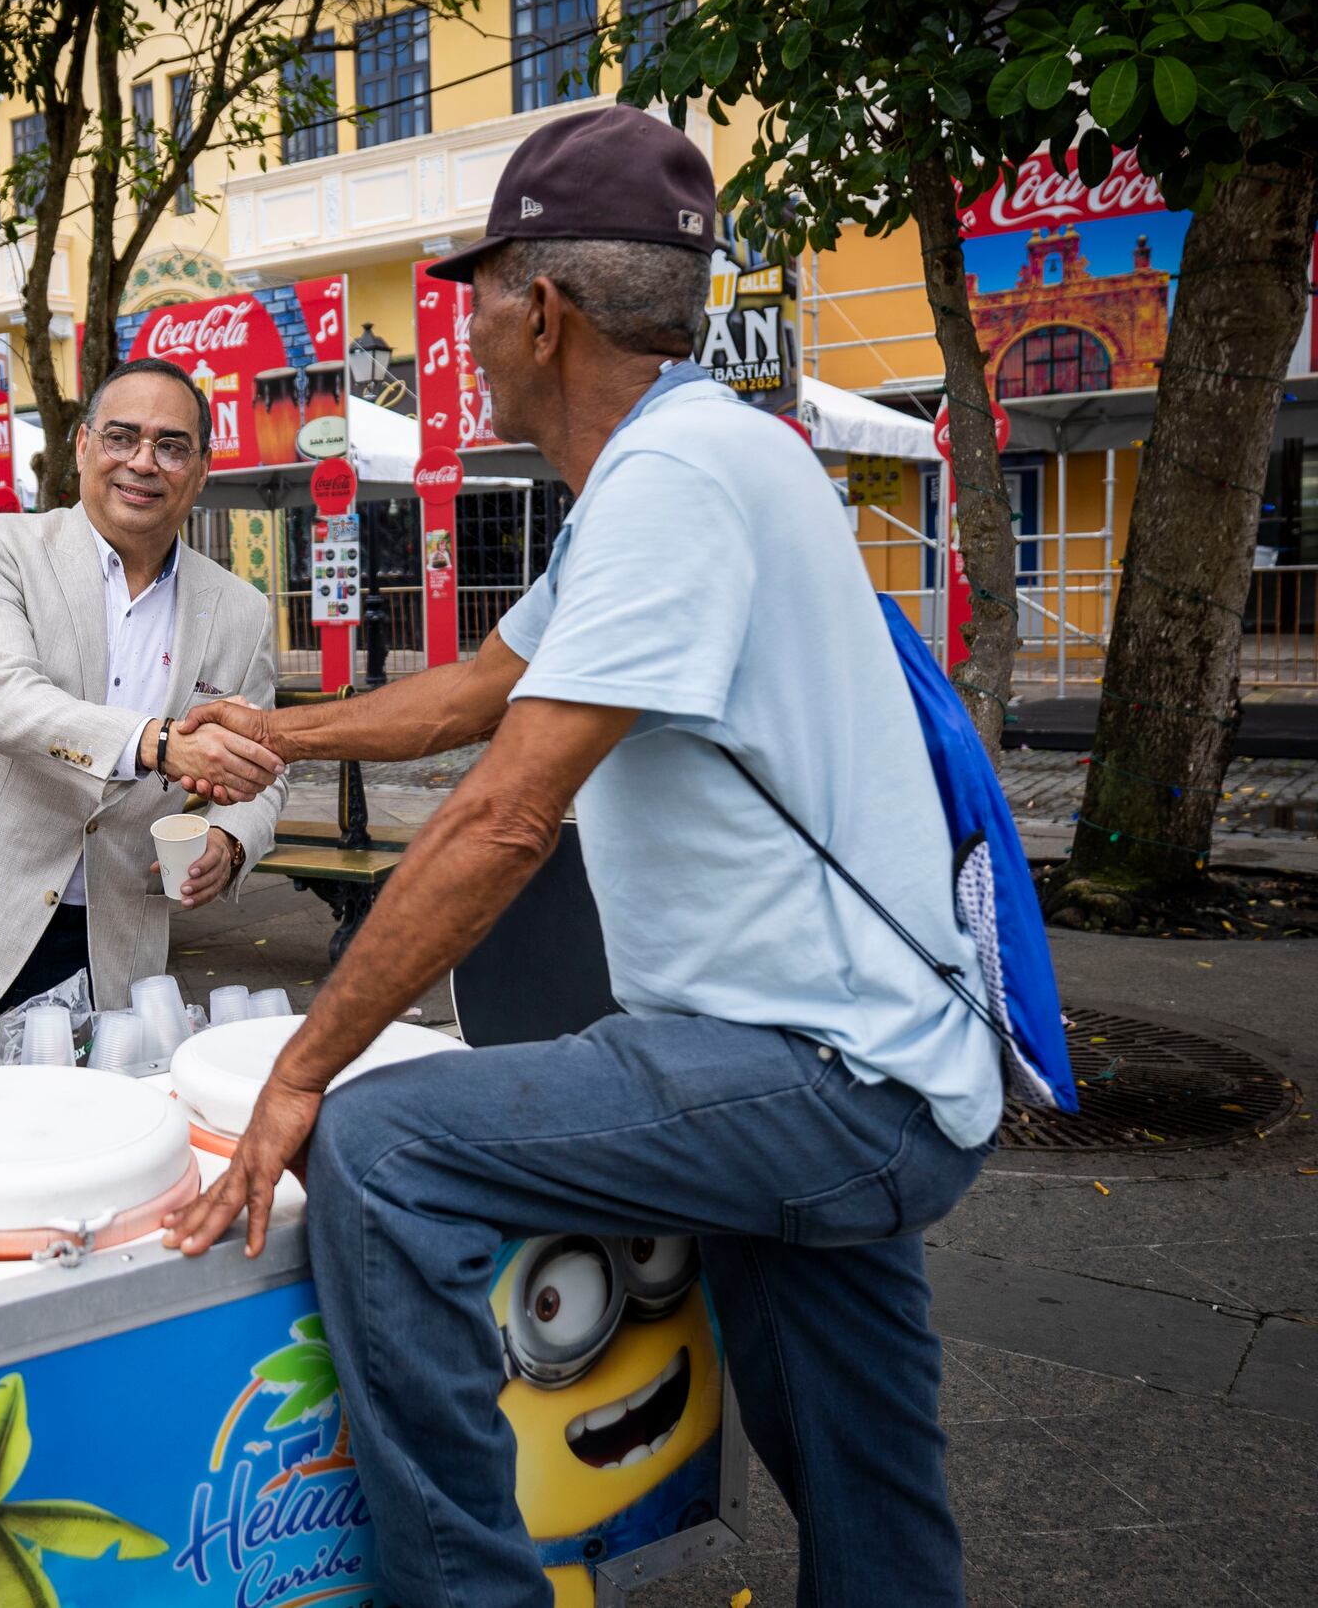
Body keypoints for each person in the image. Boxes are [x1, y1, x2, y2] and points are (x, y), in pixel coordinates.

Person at [165, 106, 993, 1608]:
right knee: (871, 1493)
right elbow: (486, 685)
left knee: (384, 1146)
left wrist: (301, 1074)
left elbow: (502, 810)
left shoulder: (674, 482)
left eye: (477, 295)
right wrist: (284, 733)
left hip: (810, 1073)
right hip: (877, 1062)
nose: (467, 332)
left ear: (539, 310)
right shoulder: (689, 464)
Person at [0, 356, 289, 1099]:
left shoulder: (240, 610)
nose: (143, 462)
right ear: (84, 446)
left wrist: (231, 835)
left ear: (202, 468)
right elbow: (4, 699)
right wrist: (157, 741)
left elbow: (263, 765)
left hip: (114, 931)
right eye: (122, 437)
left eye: (172, 445)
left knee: (84, 1147)